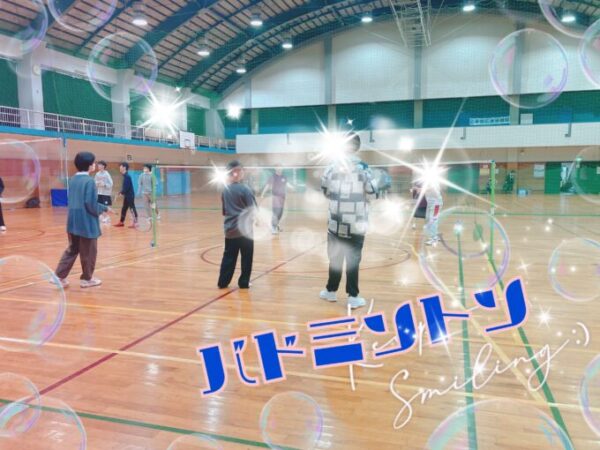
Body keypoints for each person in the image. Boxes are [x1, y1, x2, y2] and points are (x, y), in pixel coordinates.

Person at [319, 133, 376, 309]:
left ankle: (330, 291)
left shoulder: (331, 167)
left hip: (335, 221)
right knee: (353, 259)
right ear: (358, 147)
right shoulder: (364, 168)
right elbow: (372, 193)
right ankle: (353, 296)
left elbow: (325, 190)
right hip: (356, 222)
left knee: (335, 258)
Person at [54, 152, 112, 288]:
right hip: (86, 223)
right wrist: (105, 208)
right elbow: (91, 205)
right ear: (90, 165)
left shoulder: (72, 179)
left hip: (72, 222)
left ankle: (58, 276)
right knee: (89, 252)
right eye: (93, 162)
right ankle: (87, 279)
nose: (95, 164)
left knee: (72, 249)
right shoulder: (89, 181)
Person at [218, 160, 257, 290]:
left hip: (230, 230)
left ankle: (223, 282)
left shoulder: (225, 190)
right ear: (237, 172)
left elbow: (225, 211)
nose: (243, 172)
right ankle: (244, 282)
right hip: (245, 231)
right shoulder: (245, 189)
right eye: (241, 170)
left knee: (228, 257)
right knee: (246, 257)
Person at [260, 166, 294, 235]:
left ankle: (276, 225)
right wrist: (263, 193)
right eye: (278, 168)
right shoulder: (273, 177)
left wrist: (292, 187)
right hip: (275, 198)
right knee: (275, 213)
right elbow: (267, 186)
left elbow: (287, 184)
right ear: (275, 169)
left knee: (280, 213)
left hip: (282, 198)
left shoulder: (284, 177)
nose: (280, 169)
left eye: (281, 168)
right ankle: (273, 227)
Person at [114, 162, 138, 228]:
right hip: (127, 195)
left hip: (130, 195)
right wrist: (120, 192)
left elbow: (126, 188)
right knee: (124, 208)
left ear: (124, 167)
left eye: (121, 166)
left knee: (132, 208)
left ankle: (136, 223)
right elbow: (125, 187)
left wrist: (121, 193)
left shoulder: (127, 176)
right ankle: (121, 222)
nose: (119, 168)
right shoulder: (125, 176)